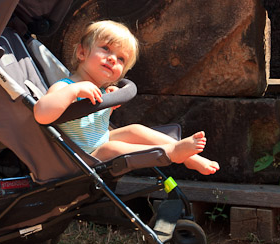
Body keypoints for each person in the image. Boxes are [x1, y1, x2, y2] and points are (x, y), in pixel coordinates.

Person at [33, 20, 220, 175]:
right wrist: (73, 92)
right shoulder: (65, 87)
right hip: (80, 155)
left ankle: (190, 158)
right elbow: (41, 114)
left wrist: (107, 101)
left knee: (134, 130)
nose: (113, 58)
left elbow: (93, 120)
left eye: (121, 59)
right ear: (82, 52)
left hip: (100, 140)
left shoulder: (101, 91)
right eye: (105, 49)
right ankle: (170, 152)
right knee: (111, 149)